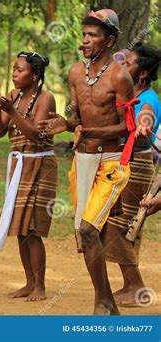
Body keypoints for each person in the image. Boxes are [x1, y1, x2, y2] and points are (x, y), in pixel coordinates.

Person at [38, 9, 135, 315]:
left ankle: (101, 303)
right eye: (84, 35)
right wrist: (65, 123)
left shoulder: (120, 77)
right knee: (86, 234)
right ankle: (108, 304)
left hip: (111, 164)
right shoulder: (75, 73)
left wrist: (87, 130)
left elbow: (126, 127)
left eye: (93, 36)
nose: (86, 41)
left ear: (109, 41)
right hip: (83, 161)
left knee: (88, 229)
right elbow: (77, 119)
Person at [0, 51, 57, 301]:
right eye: (13, 69)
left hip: (39, 166)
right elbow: (0, 132)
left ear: (34, 75)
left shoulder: (46, 99)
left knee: (32, 227)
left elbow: (37, 135)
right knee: (21, 228)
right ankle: (29, 282)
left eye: (20, 70)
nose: (14, 74)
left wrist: (12, 112)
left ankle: (41, 287)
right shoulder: (13, 96)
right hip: (19, 166)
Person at [102, 43, 160, 306]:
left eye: (129, 63)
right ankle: (129, 285)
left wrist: (143, 126)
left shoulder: (148, 99)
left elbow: (145, 118)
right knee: (119, 225)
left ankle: (137, 287)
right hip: (123, 165)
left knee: (118, 227)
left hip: (136, 168)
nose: (123, 65)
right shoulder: (126, 94)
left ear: (143, 75)